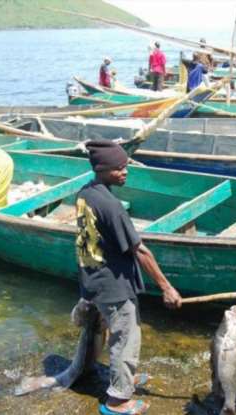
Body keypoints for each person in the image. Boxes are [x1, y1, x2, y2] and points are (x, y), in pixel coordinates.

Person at [76, 140, 182, 415]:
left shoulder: (86, 193)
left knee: (121, 334)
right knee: (125, 339)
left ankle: (123, 377)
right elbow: (141, 251)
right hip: (113, 287)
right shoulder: (112, 206)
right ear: (102, 169)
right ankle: (118, 400)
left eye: (125, 166)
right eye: (118, 169)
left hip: (94, 279)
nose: (125, 172)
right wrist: (166, 287)